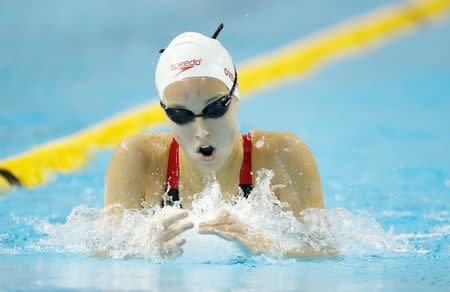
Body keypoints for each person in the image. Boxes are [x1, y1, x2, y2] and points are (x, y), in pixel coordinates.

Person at [105, 24, 328, 259]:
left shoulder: (281, 156)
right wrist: (142, 247)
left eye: (214, 109)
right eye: (181, 115)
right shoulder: (138, 160)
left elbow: (326, 254)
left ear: (236, 98)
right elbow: (102, 252)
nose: (201, 131)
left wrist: (266, 245)